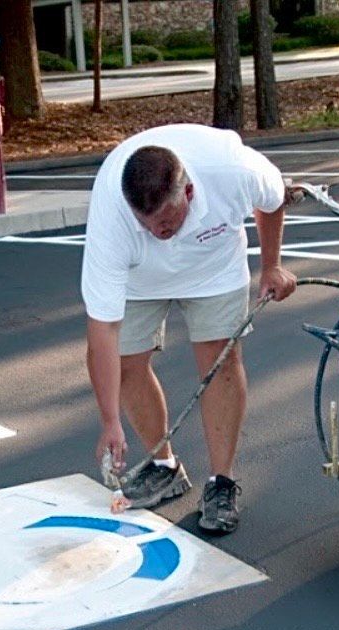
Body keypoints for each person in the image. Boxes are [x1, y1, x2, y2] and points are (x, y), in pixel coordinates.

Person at [81, 123, 296, 534]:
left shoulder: (232, 170)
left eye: (166, 221)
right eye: (148, 224)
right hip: (139, 276)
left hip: (213, 266)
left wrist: (271, 265)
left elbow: (274, 199)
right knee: (126, 360)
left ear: (190, 193)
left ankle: (222, 482)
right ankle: (164, 466)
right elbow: (102, 330)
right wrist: (110, 421)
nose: (158, 233)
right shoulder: (112, 212)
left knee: (219, 360)